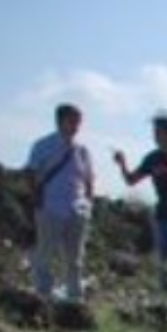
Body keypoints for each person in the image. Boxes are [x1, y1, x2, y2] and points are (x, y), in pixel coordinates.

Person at [24, 103, 96, 302]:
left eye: (78, 121)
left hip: (77, 208)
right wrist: (36, 198)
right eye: (72, 120)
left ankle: (74, 295)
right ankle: (43, 293)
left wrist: (89, 203)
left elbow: (89, 178)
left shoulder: (82, 150)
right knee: (45, 253)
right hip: (50, 206)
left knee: (75, 257)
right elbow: (30, 172)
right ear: (59, 121)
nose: (76, 126)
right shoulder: (43, 145)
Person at [113, 114, 167, 264]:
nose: (155, 136)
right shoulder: (153, 158)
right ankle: (166, 287)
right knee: (165, 260)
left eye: (158, 132)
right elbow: (131, 180)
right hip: (163, 214)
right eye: (155, 132)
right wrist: (122, 164)